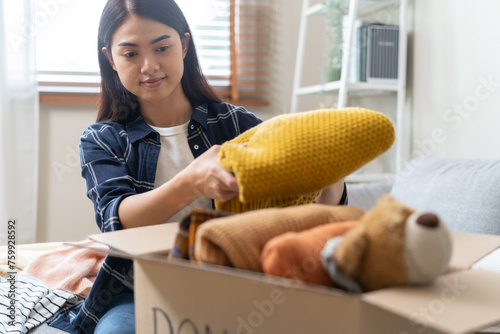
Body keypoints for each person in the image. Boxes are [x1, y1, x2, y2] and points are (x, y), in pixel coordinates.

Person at [50, 0, 347, 333]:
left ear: (185, 45)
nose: (149, 66)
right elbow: (116, 220)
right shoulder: (102, 139)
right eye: (130, 54)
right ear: (111, 59)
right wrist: (191, 182)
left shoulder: (236, 123)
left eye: (162, 47)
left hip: (235, 281)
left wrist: (328, 169)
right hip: (136, 289)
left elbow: (315, 209)